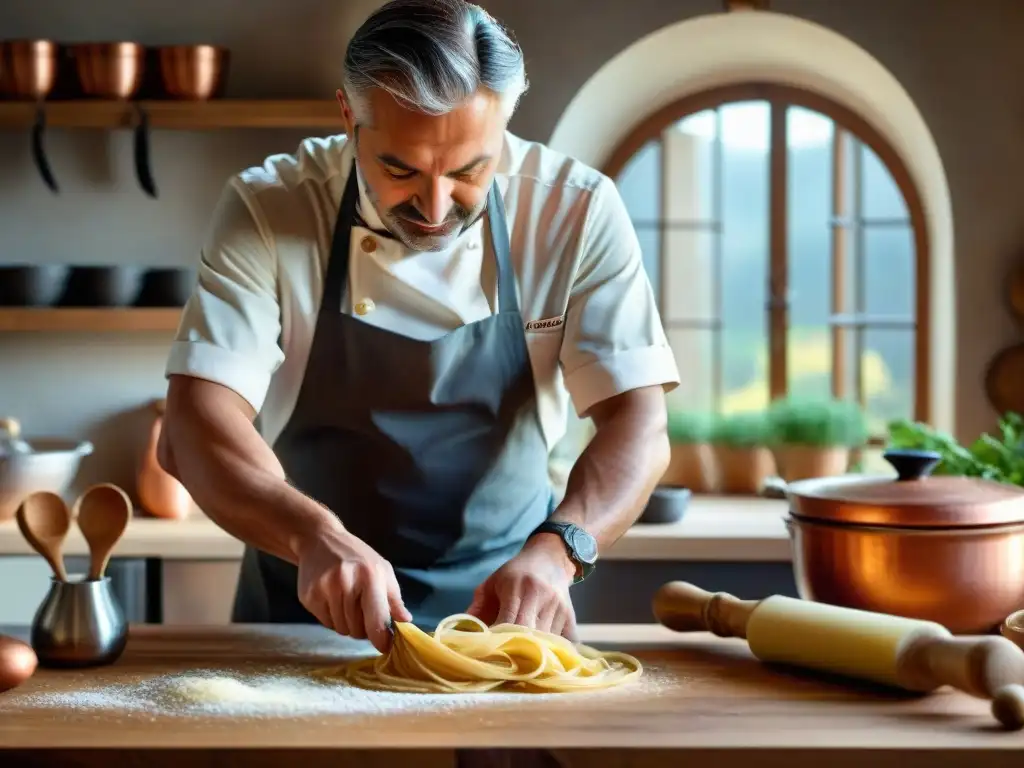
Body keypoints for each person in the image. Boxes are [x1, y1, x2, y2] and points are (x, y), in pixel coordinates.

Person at [158, 0, 680, 656]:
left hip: (510, 622)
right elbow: (193, 427)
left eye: (469, 172)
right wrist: (312, 536)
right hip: (303, 619)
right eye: (400, 169)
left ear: (505, 124)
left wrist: (561, 549)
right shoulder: (270, 207)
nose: (435, 208)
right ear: (350, 117)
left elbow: (640, 424)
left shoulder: (575, 210)